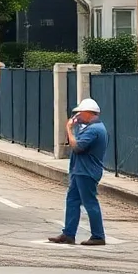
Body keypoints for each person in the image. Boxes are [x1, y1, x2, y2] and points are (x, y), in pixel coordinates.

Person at [49, 98, 108, 246]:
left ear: (89, 113)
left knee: (90, 202)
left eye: (80, 113)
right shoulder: (90, 128)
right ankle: (68, 234)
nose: (77, 116)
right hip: (80, 171)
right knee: (72, 201)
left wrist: (69, 128)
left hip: (86, 172)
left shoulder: (95, 130)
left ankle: (98, 235)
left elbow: (77, 147)